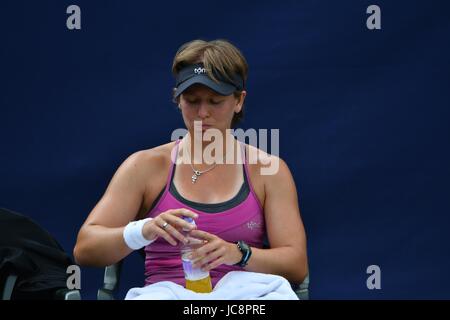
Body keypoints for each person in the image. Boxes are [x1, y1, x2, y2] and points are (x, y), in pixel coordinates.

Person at [73, 39, 308, 299]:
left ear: (239, 101)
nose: (202, 112)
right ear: (178, 98)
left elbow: (296, 265)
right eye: (192, 100)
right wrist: (144, 230)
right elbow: (86, 248)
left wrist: (239, 254)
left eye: (215, 101)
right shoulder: (144, 166)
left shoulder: (269, 171)